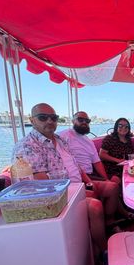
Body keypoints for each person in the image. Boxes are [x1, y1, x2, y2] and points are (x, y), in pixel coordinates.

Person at [12, 103, 119, 253]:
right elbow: (36, 180)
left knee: (112, 187)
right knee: (95, 206)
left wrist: (88, 182)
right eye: (43, 117)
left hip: (77, 184)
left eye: (53, 118)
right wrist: (75, 189)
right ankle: (104, 251)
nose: (50, 121)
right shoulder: (28, 145)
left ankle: (108, 224)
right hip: (56, 193)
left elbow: (76, 165)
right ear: (32, 120)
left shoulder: (60, 140)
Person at [60, 111, 109, 180]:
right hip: (75, 176)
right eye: (80, 120)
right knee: (112, 187)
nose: (84, 122)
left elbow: (97, 162)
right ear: (73, 121)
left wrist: (106, 179)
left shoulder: (89, 141)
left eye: (87, 121)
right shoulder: (63, 136)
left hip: (90, 174)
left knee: (114, 182)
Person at [99, 118, 134, 182]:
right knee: (117, 181)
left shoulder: (128, 140)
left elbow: (131, 155)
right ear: (116, 127)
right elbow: (102, 154)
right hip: (111, 169)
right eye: (120, 126)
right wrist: (118, 160)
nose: (123, 128)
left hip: (126, 168)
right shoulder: (109, 139)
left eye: (126, 126)